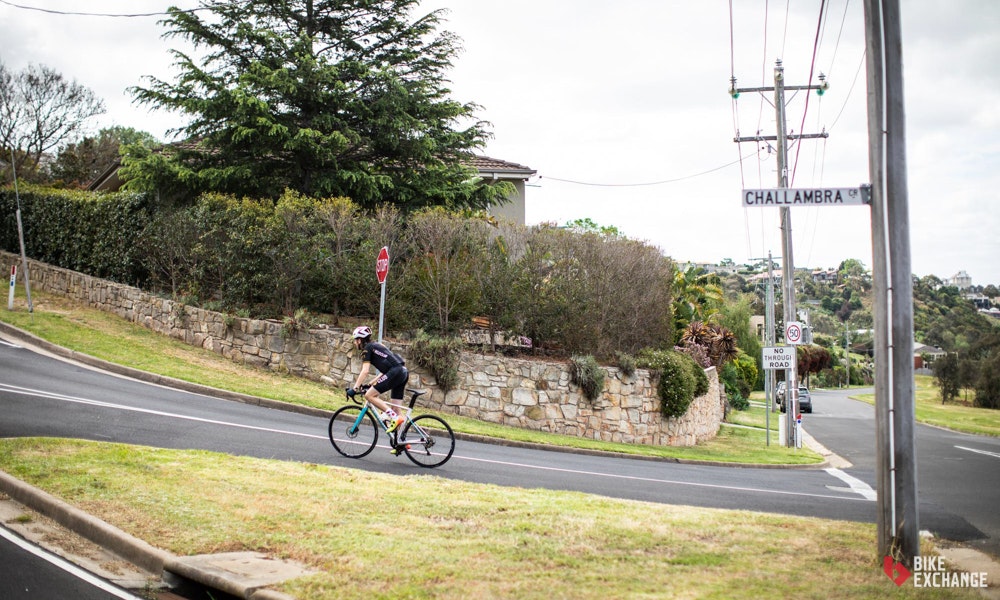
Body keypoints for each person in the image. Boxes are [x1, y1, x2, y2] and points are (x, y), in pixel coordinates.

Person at [347, 325, 409, 435]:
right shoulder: (377, 345)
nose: (355, 343)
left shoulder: (367, 349)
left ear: (360, 339)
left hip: (396, 372)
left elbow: (365, 371)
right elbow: (388, 367)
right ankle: (402, 441)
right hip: (402, 372)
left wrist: (355, 388)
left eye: (355, 340)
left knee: (369, 396)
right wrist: (371, 383)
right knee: (396, 409)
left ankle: (393, 417)